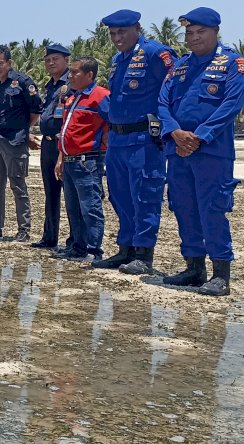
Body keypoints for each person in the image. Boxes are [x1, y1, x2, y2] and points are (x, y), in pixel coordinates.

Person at [158, 7, 244, 296]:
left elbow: (231, 105)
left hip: (211, 151)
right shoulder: (180, 66)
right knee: (183, 207)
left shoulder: (232, 63)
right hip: (178, 151)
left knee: (212, 209)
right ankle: (194, 268)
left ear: (215, 32)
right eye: (189, 33)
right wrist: (174, 132)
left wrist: (199, 136)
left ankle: (221, 274)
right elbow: (163, 103)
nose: (194, 38)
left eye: (201, 32)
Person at [94, 10, 177, 274]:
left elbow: (173, 90)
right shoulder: (118, 60)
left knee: (145, 196)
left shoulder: (156, 53)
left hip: (144, 139)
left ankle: (144, 254)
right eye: (113, 34)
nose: (117, 38)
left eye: (122, 32)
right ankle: (125, 249)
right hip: (117, 139)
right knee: (119, 196)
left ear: (137, 29)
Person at [0, 45, 42, 241]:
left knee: (18, 186)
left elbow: (36, 110)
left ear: (9, 63)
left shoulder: (22, 82)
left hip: (15, 142)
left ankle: (24, 229)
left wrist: (23, 130)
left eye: (0, 63)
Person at [53, 57, 110, 262]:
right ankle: (78, 246)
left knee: (90, 208)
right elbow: (66, 130)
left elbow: (112, 122)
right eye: (71, 72)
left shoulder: (100, 95)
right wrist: (61, 156)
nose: (70, 76)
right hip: (69, 160)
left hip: (88, 161)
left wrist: (105, 142)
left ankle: (94, 250)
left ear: (89, 75)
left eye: (75, 72)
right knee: (73, 208)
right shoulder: (72, 96)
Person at [32, 44, 72, 249]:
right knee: (51, 193)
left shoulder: (71, 83)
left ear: (66, 60)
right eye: (47, 60)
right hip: (46, 144)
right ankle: (49, 237)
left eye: (55, 59)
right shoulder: (50, 85)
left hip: (63, 144)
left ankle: (75, 242)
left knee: (71, 195)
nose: (50, 63)